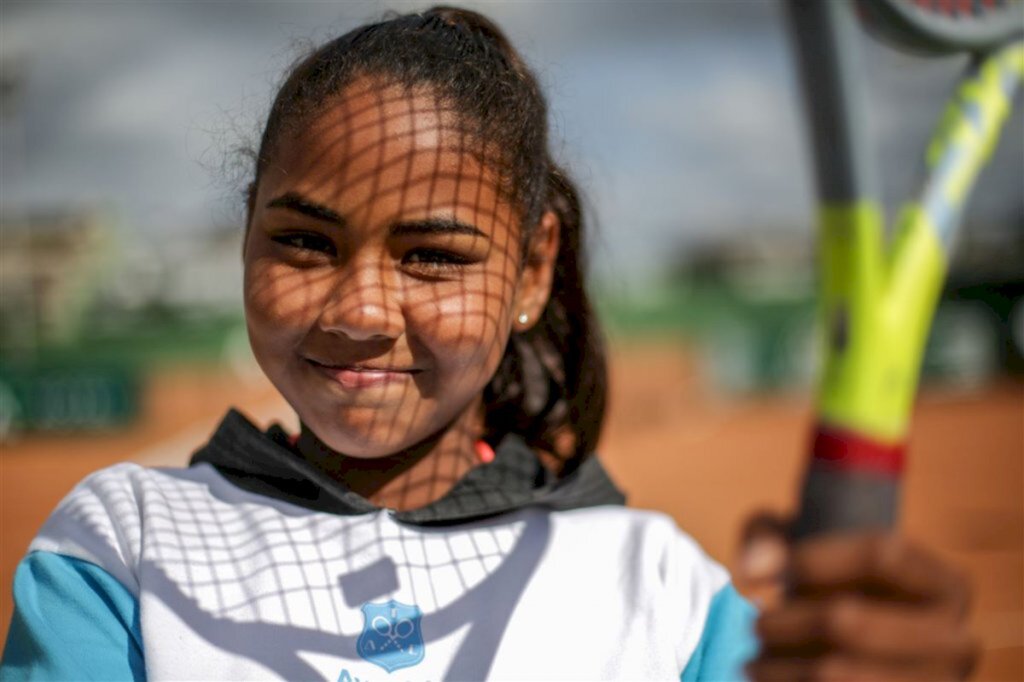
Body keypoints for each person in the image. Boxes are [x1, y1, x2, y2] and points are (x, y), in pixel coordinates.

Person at [1, 7, 976, 681]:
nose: (359, 310)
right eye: (302, 240)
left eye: (431, 254)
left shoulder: (663, 590)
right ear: (247, 226)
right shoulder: (115, 549)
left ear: (532, 270)